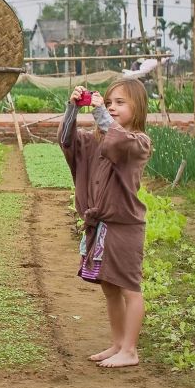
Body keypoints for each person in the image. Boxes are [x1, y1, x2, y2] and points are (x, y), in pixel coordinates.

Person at [58, 79, 152, 368]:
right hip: (100, 228)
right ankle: (118, 344)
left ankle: (131, 350)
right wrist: (72, 109)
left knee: (129, 288)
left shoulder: (138, 142)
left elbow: (119, 141)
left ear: (138, 108)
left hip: (124, 227)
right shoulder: (95, 139)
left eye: (120, 103)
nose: (112, 107)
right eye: (109, 102)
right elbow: (67, 141)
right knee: (110, 287)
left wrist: (100, 114)